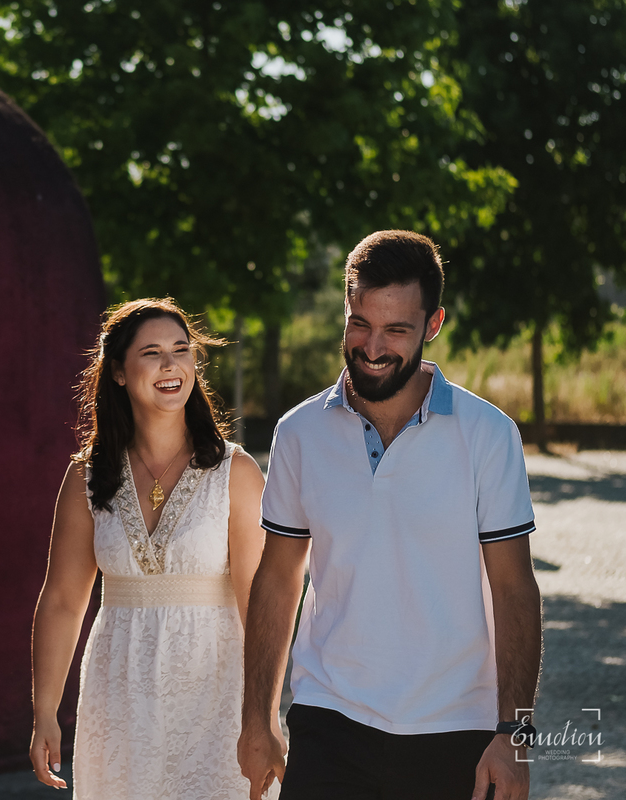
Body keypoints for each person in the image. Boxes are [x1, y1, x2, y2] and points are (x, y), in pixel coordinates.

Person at [238, 230, 543, 800]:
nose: (373, 346)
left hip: (457, 731)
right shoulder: (298, 433)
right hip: (328, 721)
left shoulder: (489, 435)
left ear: (433, 325)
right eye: (360, 323)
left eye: (397, 329)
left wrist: (515, 736)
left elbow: (514, 588)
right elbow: (278, 579)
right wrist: (257, 718)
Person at [29, 298, 267, 798]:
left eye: (181, 350)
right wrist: (45, 712)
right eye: (152, 352)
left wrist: (264, 716)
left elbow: (260, 603)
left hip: (217, 704)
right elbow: (62, 600)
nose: (170, 365)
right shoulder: (87, 477)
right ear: (118, 372)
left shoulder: (236, 473)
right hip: (118, 704)